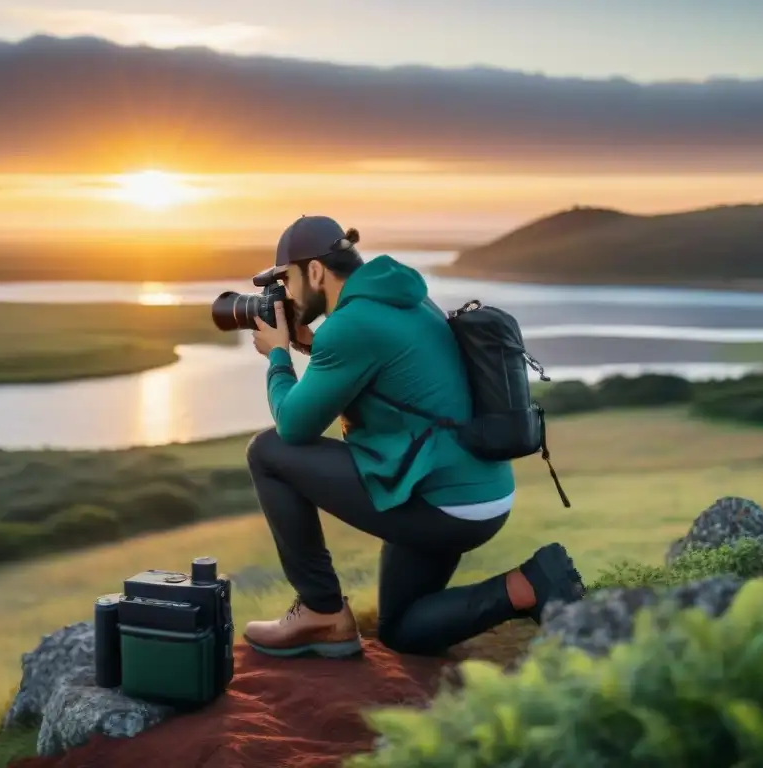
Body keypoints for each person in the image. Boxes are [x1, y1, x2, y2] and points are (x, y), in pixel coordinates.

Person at [243, 215, 586, 658]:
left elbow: (294, 426)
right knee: (402, 630)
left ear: (314, 271)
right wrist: (309, 345)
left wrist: (277, 356)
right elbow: (383, 368)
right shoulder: (402, 298)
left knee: (268, 452)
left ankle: (320, 610)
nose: (285, 295)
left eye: (286, 280)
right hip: (475, 492)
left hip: (441, 502)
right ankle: (528, 585)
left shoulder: (352, 326)